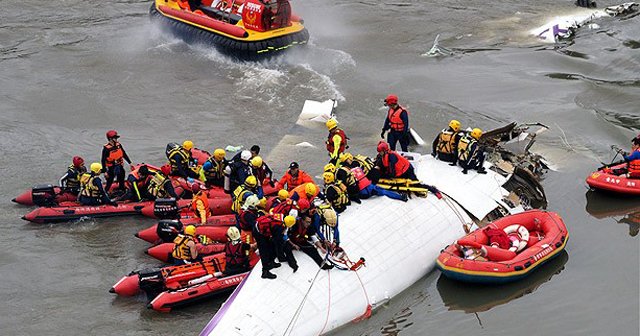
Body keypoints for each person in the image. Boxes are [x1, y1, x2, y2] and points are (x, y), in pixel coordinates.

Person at [254, 214, 297, 279]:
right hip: (258, 232)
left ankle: (271, 262)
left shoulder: (282, 217)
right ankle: (265, 271)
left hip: (260, 227)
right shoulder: (279, 227)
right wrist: (281, 257)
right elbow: (277, 243)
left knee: (270, 245)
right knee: (264, 250)